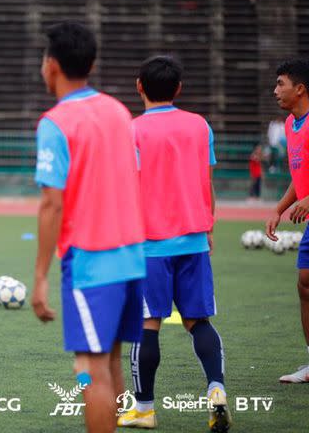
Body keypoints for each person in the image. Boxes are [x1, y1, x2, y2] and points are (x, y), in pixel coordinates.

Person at [31, 21, 146, 433]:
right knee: (111, 361)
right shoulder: (118, 111)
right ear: (92, 64)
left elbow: (51, 204)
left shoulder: (55, 123)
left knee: (88, 371)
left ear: (51, 66)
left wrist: (40, 277)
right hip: (133, 258)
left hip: (91, 262)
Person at [118, 56, 229, 432]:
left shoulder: (131, 130)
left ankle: (145, 409)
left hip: (149, 244)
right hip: (194, 239)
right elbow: (207, 181)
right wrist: (208, 228)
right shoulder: (200, 125)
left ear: (139, 86)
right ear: (178, 89)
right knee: (198, 321)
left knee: (147, 324)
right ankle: (216, 389)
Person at [266, 58, 309, 384]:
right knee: (304, 283)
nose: (275, 90)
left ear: (300, 88)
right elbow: (300, 176)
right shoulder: (290, 125)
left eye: (281, 83)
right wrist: (279, 208)